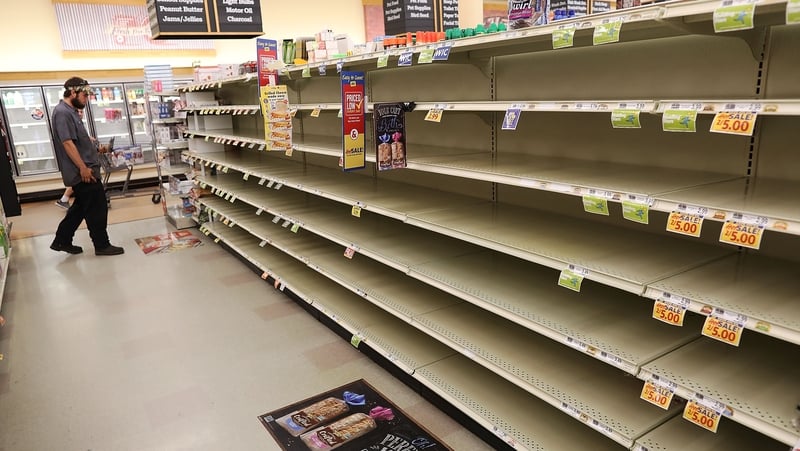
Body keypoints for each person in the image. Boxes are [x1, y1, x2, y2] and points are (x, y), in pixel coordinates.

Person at [49, 76, 124, 256]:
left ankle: (62, 241)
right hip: (83, 172)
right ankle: (102, 245)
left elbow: (79, 141)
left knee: (80, 208)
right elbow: (67, 143)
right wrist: (83, 167)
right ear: (73, 92)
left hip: (85, 170)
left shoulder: (71, 111)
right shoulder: (63, 112)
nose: (86, 99)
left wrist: (98, 149)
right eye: (84, 95)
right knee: (97, 208)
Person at [54, 108, 93, 209]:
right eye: (78, 112)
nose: (80, 114)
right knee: (79, 180)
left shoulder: (78, 123)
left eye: (81, 112)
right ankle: (64, 199)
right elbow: (70, 142)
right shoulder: (64, 117)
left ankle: (65, 200)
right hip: (77, 160)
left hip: (80, 160)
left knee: (79, 185)